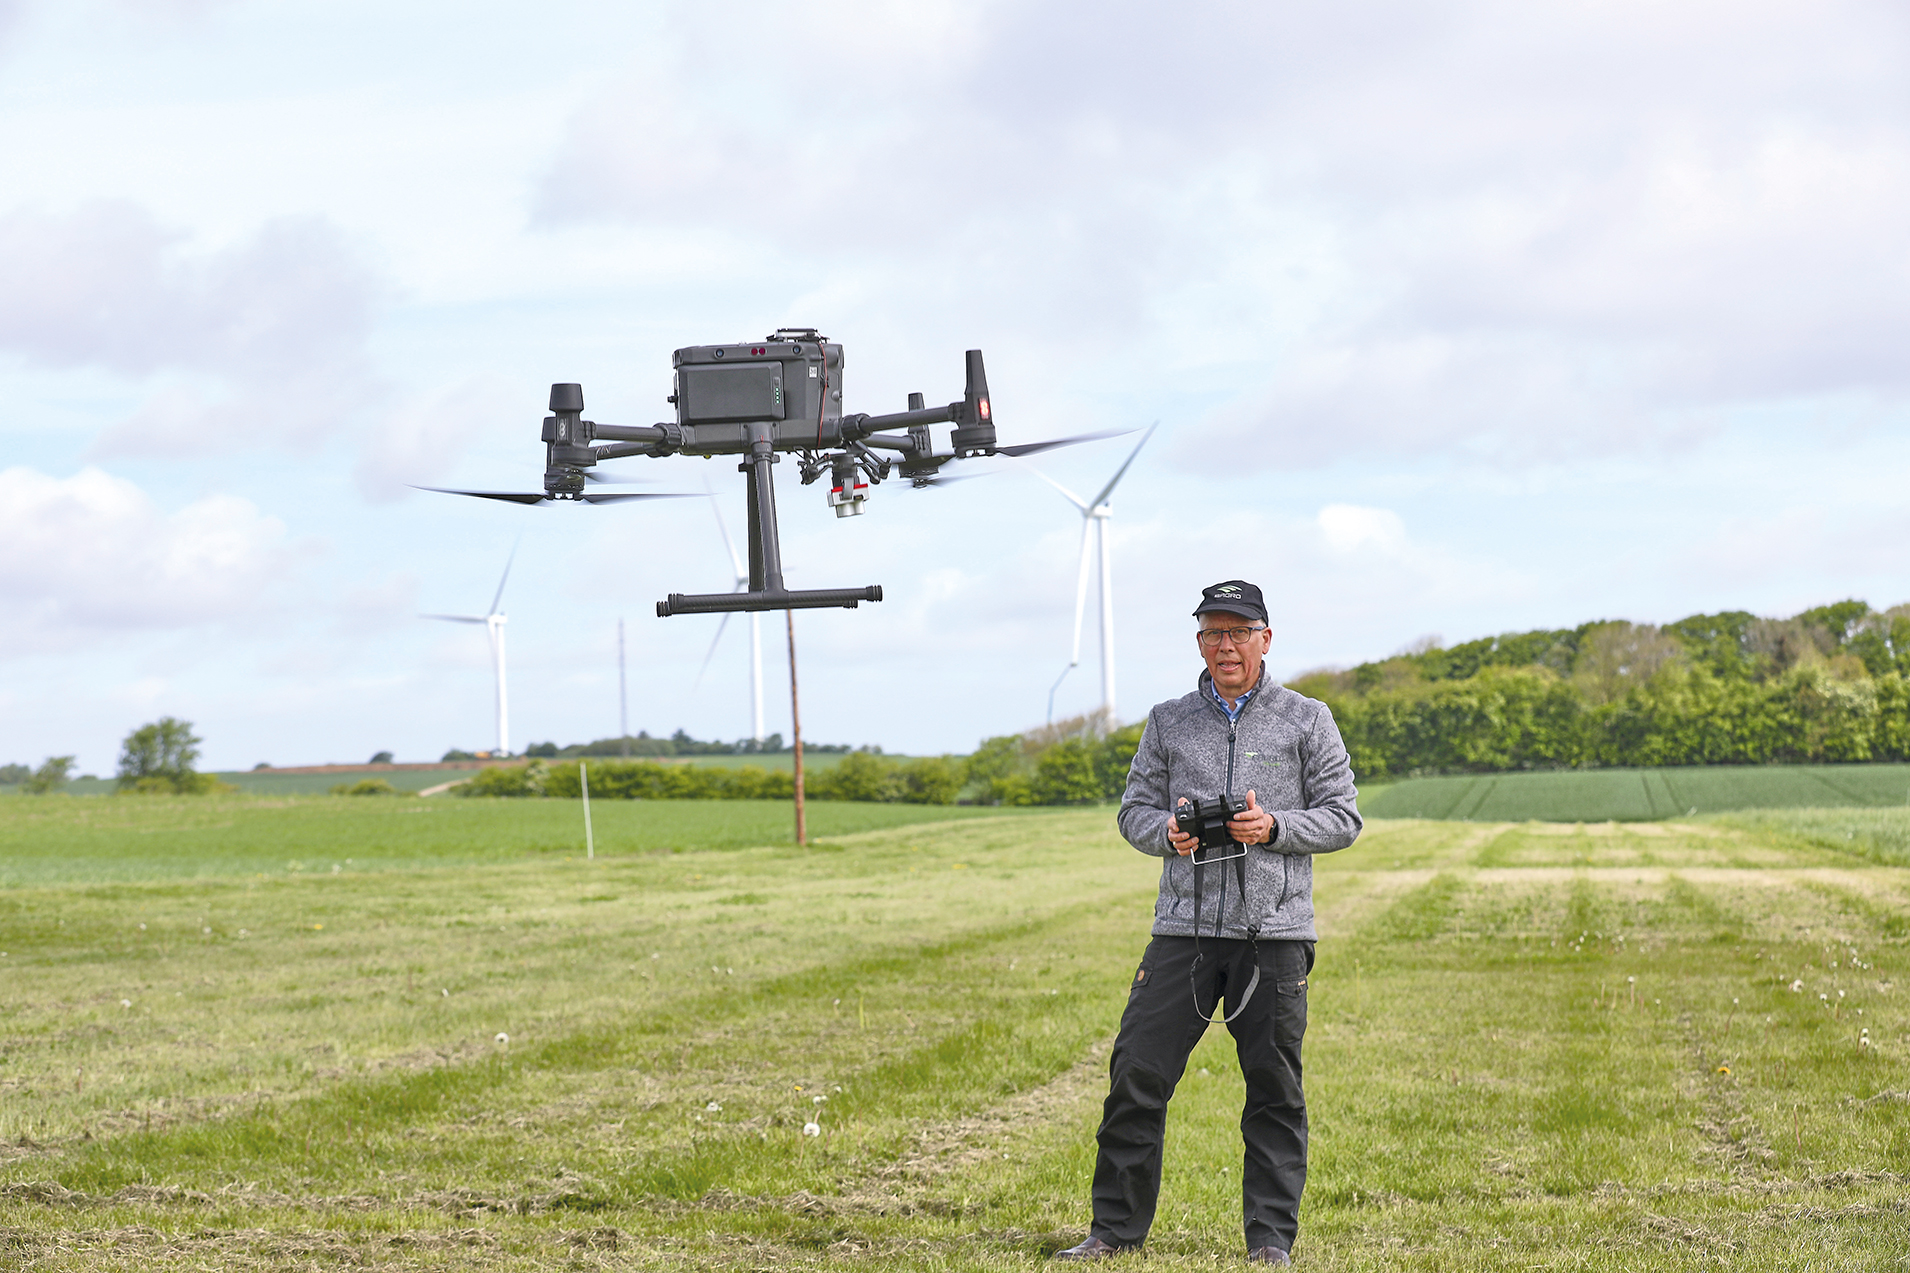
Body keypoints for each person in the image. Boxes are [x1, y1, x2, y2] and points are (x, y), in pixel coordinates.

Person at [1054, 580, 1362, 1265]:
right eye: (1213, 633)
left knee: (1274, 1089)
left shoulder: (1309, 719)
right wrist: (1166, 832)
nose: (1226, 645)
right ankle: (1113, 1231)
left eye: (1238, 632)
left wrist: (1273, 827)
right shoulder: (1167, 721)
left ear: (1265, 639)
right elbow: (1133, 810)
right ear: (1199, 643)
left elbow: (1344, 817)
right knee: (1136, 1073)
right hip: (1182, 932)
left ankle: (1270, 1241)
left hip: (1275, 935)